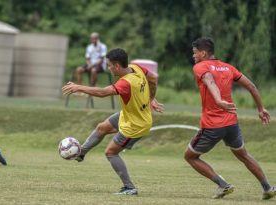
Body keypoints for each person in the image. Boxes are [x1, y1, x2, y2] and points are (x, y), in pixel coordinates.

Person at [184, 37, 276, 200]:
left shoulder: (200, 67)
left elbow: (209, 80)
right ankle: (267, 187)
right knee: (243, 155)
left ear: (203, 53)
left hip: (212, 125)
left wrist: (218, 100)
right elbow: (251, 86)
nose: (194, 56)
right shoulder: (228, 68)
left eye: (195, 53)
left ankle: (223, 185)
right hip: (232, 123)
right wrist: (261, 108)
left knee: (190, 156)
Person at [63, 48, 163, 195]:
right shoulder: (135, 68)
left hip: (136, 125)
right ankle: (81, 153)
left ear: (116, 66)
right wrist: (150, 98)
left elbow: (102, 93)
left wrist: (79, 87)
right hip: (130, 115)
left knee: (111, 152)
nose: (108, 68)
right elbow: (153, 78)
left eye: (109, 65)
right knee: (102, 127)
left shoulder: (126, 83)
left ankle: (130, 188)